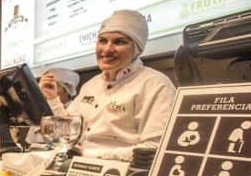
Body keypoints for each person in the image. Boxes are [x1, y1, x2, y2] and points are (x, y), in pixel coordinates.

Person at [41, 10, 176, 161]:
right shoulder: (90, 86)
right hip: (80, 168)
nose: (107, 50)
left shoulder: (155, 84)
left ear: (137, 49)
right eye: (103, 40)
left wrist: (89, 155)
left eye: (119, 42)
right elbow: (68, 133)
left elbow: (154, 148)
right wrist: (53, 99)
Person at [25, 68, 80, 146]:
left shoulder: (77, 109)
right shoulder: (41, 111)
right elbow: (29, 143)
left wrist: (54, 101)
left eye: (50, 86)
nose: (44, 91)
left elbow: (69, 140)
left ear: (67, 90)